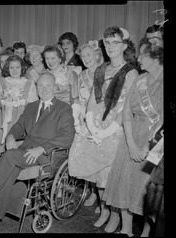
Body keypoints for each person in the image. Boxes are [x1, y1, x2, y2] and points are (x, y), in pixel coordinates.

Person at [0, 71, 76, 233]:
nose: (44, 88)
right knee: (8, 166)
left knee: (9, 157)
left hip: (47, 157)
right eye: (40, 85)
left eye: (48, 85)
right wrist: (11, 136)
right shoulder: (31, 106)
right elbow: (19, 126)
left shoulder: (63, 108)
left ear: (55, 87)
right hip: (25, 154)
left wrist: (42, 148)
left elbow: (67, 136)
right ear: (36, 87)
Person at [68, 26, 139, 233]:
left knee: (115, 178)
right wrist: (91, 124)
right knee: (100, 176)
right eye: (107, 42)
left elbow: (128, 107)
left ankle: (124, 223)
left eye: (115, 42)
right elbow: (91, 99)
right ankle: (107, 212)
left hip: (117, 127)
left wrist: (108, 131)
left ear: (125, 45)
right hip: (97, 126)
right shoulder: (101, 69)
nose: (110, 47)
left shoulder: (131, 71)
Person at [102, 38, 163, 237]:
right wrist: (130, 143)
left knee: (146, 188)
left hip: (156, 145)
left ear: (155, 58)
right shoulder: (140, 78)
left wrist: (147, 147)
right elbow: (127, 112)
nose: (137, 58)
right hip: (131, 137)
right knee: (124, 183)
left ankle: (146, 233)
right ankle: (126, 230)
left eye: (142, 55)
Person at [72, 40, 104, 207]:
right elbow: (77, 98)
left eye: (89, 55)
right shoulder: (81, 75)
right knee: (88, 159)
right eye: (83, 56)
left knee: (99, 161)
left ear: (97, 55)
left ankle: (103, 198)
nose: (86, 58)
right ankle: (92, 191)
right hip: (85, 121)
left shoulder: (104, 71)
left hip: (101, 121)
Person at [0, 55, 38, 144]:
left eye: (17, 67)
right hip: (6, 118)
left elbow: (34, 103)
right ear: (7, 68)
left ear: (22, 68)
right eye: (11, 68)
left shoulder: (29, 82)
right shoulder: (3, 82)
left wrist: (22, 102)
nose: (15, 70)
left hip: (23, 118)